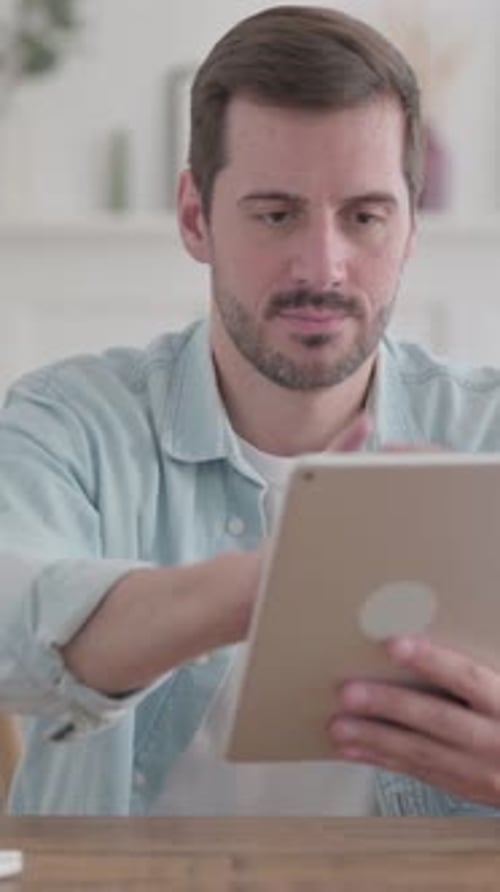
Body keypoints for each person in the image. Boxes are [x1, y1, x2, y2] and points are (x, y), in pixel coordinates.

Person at [2, 4, 500, 818]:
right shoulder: (70, 423)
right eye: (276, 215)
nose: (323, 267)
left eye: (365, 217)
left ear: (411, 227)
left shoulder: (488, 434)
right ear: (195, 217)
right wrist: (270, 584)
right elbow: (11, 625)